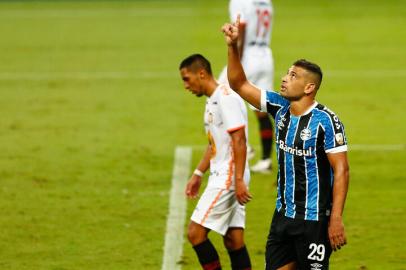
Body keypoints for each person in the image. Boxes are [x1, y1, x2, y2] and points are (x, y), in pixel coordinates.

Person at [221, 16, 350, 270]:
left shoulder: (327, 122)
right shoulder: (279, 107)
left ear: (309, 86)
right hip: (282, 217)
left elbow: (342, 170)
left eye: (293, 75)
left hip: (313, 222)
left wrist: (335, 218)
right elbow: (238, 83)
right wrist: (232, 46)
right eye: (287, 73)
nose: (284, 78)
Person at [179, 54, 253, 270]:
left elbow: (239, 139)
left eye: (186, 78)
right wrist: (198, 173)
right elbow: (215, 144)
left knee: (195, 233)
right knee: (233, 239)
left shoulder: (226, 98)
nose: (185, 85)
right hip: (225, 173)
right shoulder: (212, 100)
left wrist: (238, 180)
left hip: (229, 176)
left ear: (201, 73)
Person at [218, 0, 275, 174]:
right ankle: (266, 160)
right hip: (266, 55)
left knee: (219, 93)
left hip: (247, 56)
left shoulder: (239, 1)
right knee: (262, 108)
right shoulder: (266, 2)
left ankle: (246, 146)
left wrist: (236, 57)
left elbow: (240, 27)